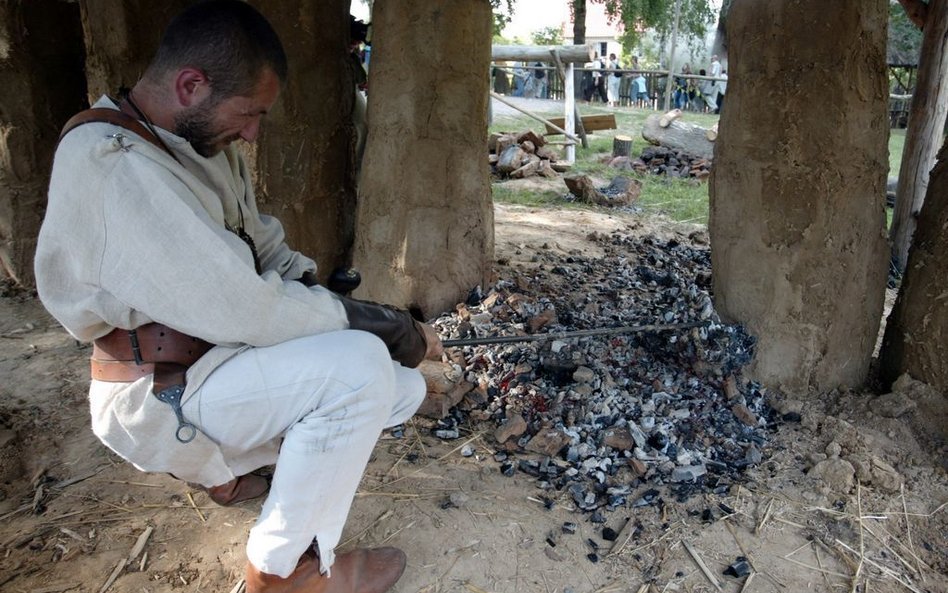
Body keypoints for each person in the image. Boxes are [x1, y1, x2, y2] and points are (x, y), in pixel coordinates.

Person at [34, 2, 442, 592]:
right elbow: (245, 308)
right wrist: (380, 325)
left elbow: (261, 247)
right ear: (191, 85)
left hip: (215, 364)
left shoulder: (199, 148)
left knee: (398, 387)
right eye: (248, 113)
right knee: (357, 373)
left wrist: (318, 294)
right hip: (158, 389)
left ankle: (256, 474)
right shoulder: (112, 165)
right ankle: (283, 575)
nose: (253, 132)